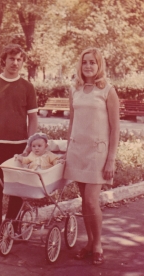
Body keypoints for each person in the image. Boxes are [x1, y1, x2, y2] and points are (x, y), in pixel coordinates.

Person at [0, 44, 38, 247]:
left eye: (20, 59)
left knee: (17, 188)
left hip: (19, 147)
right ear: (4, 60)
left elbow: (33, 119)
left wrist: (30, 147)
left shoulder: (28, 87)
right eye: (12, 58)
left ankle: (13, 226)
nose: (16, 63)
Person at [64, 47, 120, 265]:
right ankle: (88, 243)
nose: (88, 66)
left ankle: (97, 245)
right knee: (84, 204)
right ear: (81, 64)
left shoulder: (107, 90)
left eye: (93, 63)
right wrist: (67, 151)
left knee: (90, 200)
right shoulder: (74, 89)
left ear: (99, 66)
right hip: (77, 151)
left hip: (98, 153)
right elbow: (71, 122)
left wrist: (111, 159)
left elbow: (115, 128)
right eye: (85, 62)